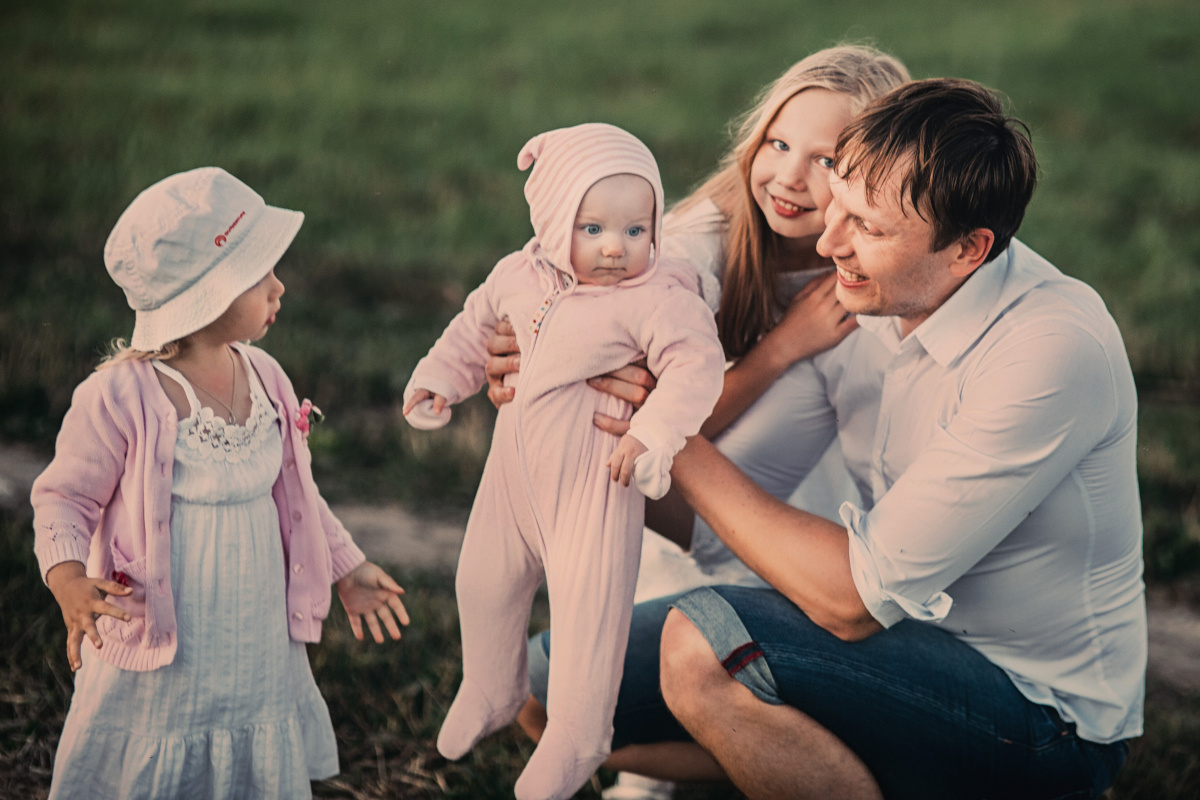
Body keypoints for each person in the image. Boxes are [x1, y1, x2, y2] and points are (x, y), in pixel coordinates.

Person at [571, 80, 1145, 799]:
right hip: (893, 655)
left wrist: (671, 431)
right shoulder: (862, 305)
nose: (829, 241)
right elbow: (717, 528)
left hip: (1041, 717)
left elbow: (850, 600)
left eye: (868, 229)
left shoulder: (1051, 349)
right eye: (837, 204)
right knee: (547, 694)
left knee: (702, 648)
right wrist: (583, 413)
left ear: (969, 249)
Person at [491, 45, 911, 799]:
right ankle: (685, 765)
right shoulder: (693, 248)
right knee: (561, 689)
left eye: (823, 160)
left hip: (804, 505)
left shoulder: (870, 270)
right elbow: (643, 423)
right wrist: (782, 349)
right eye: (778, 144)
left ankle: (791, 751)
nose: (787, 176)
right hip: (681, 510)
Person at [31, 167, 410, 800]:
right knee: (165, 748)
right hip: (167, 644)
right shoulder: (122, 395)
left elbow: (296, 495)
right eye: (261, 276)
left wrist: (347, 566)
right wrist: (67, 579)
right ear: (207, 294)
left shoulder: (266, 377)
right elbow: (63, 498)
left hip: (254, 638)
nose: (280, 287)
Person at [401, 123, 725, 800]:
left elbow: (694, 368)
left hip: (594, 482)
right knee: (481, 583)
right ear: (552, 223)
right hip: (510, 478)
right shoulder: (516, 274)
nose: (616, 247)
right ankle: (493, 686)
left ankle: (581, 734)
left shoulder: (660, 296)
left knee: (587, 611)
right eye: (594, 228)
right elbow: (473, 327)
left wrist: (654, 432)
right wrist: (440, 379)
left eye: (637, 231)